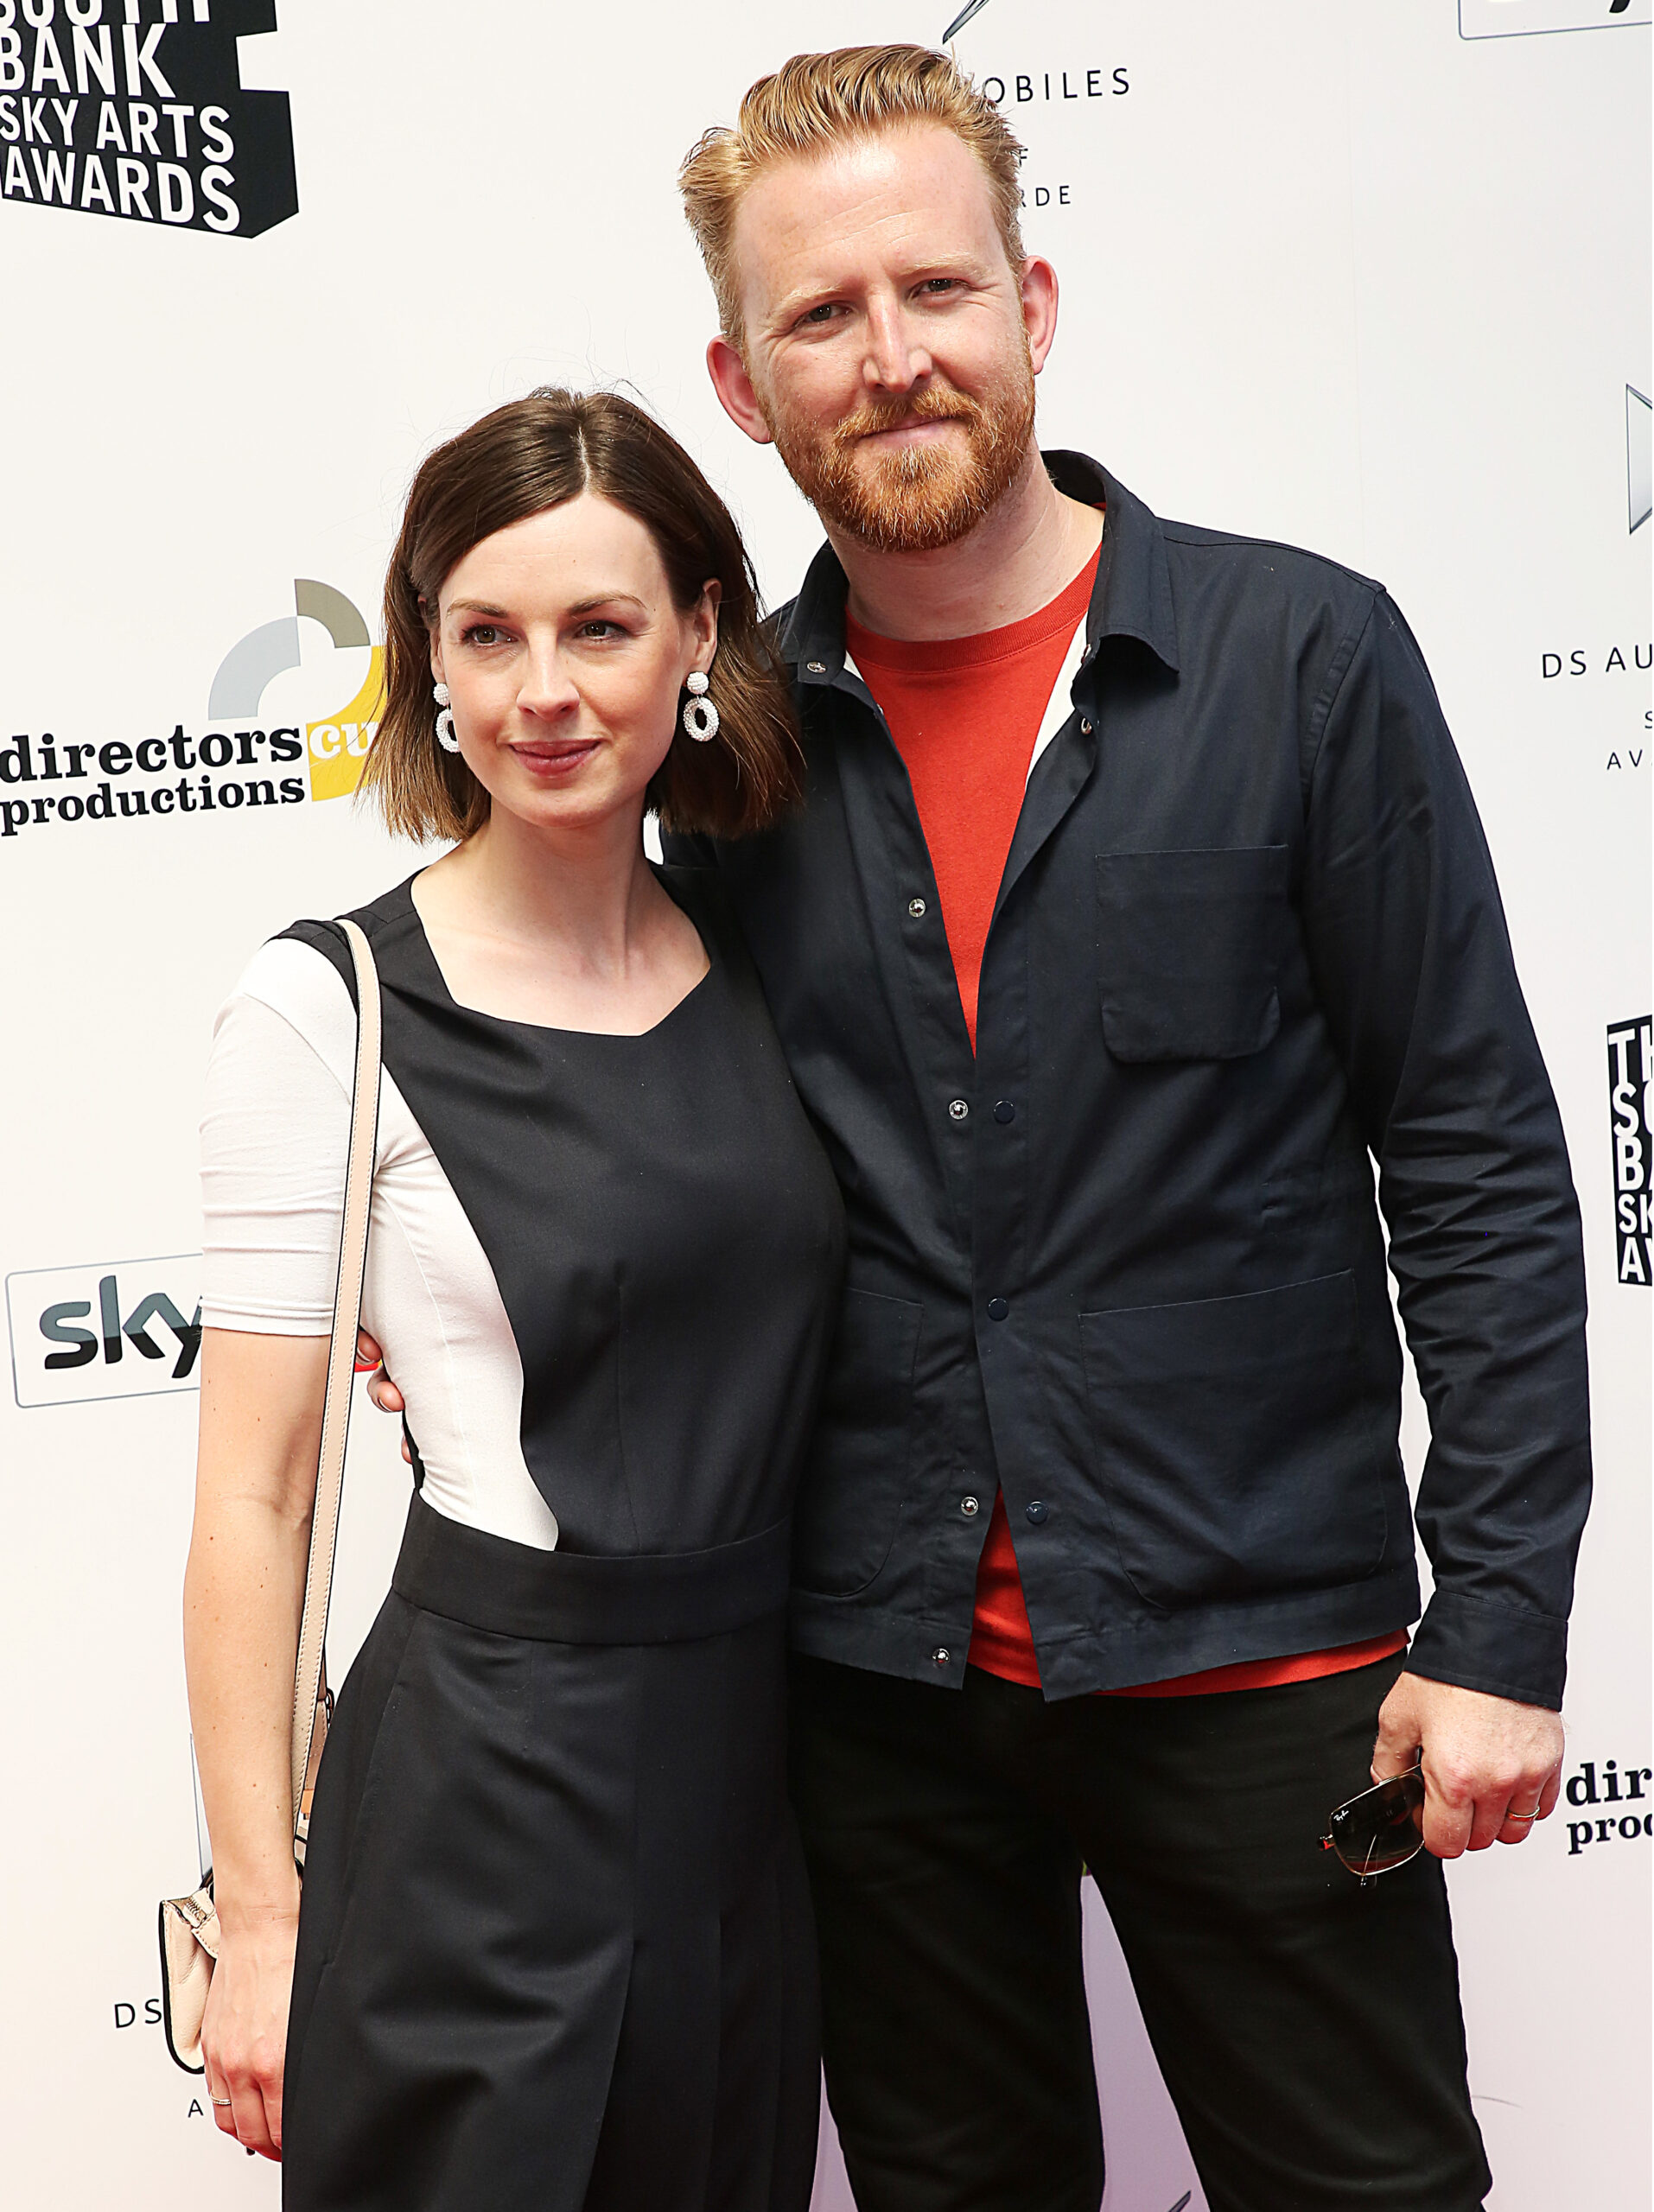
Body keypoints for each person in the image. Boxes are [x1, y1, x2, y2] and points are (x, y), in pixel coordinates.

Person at [663, 44, 1589, 2212]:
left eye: (935, 290)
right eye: (821, 315)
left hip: (1266, 1654)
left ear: (1035, 304)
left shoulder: (1305, 660)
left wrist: (1503, 1625)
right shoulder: (723, 757)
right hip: (869, 1681)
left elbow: (1472, 1156)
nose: (890, 359)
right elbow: (644, 1128)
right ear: (740, 378)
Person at [181, 386, 844, 2209]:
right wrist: (259, 1916)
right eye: (487, 633)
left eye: (599, 625)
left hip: (741, 1786)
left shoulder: (766, 946)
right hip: (480, 1787)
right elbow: (253, 1494)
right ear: (428, 660)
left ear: (701, 633)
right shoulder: (328, 1004)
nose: (542, 688)